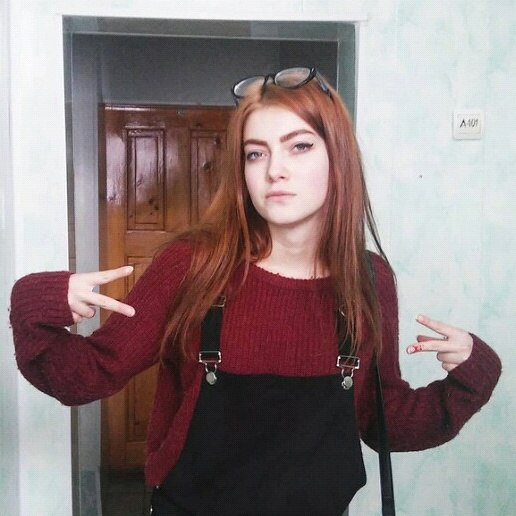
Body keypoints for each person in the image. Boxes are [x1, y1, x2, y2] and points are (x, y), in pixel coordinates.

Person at [10, 67, 501, 516]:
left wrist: (472, 375)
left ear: (339, 157)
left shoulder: (370, 280)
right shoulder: (191, 266)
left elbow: (383, 419)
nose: (274, 170)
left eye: (299, 146)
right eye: (255, 153)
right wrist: (36, 300)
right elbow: (83, 377)